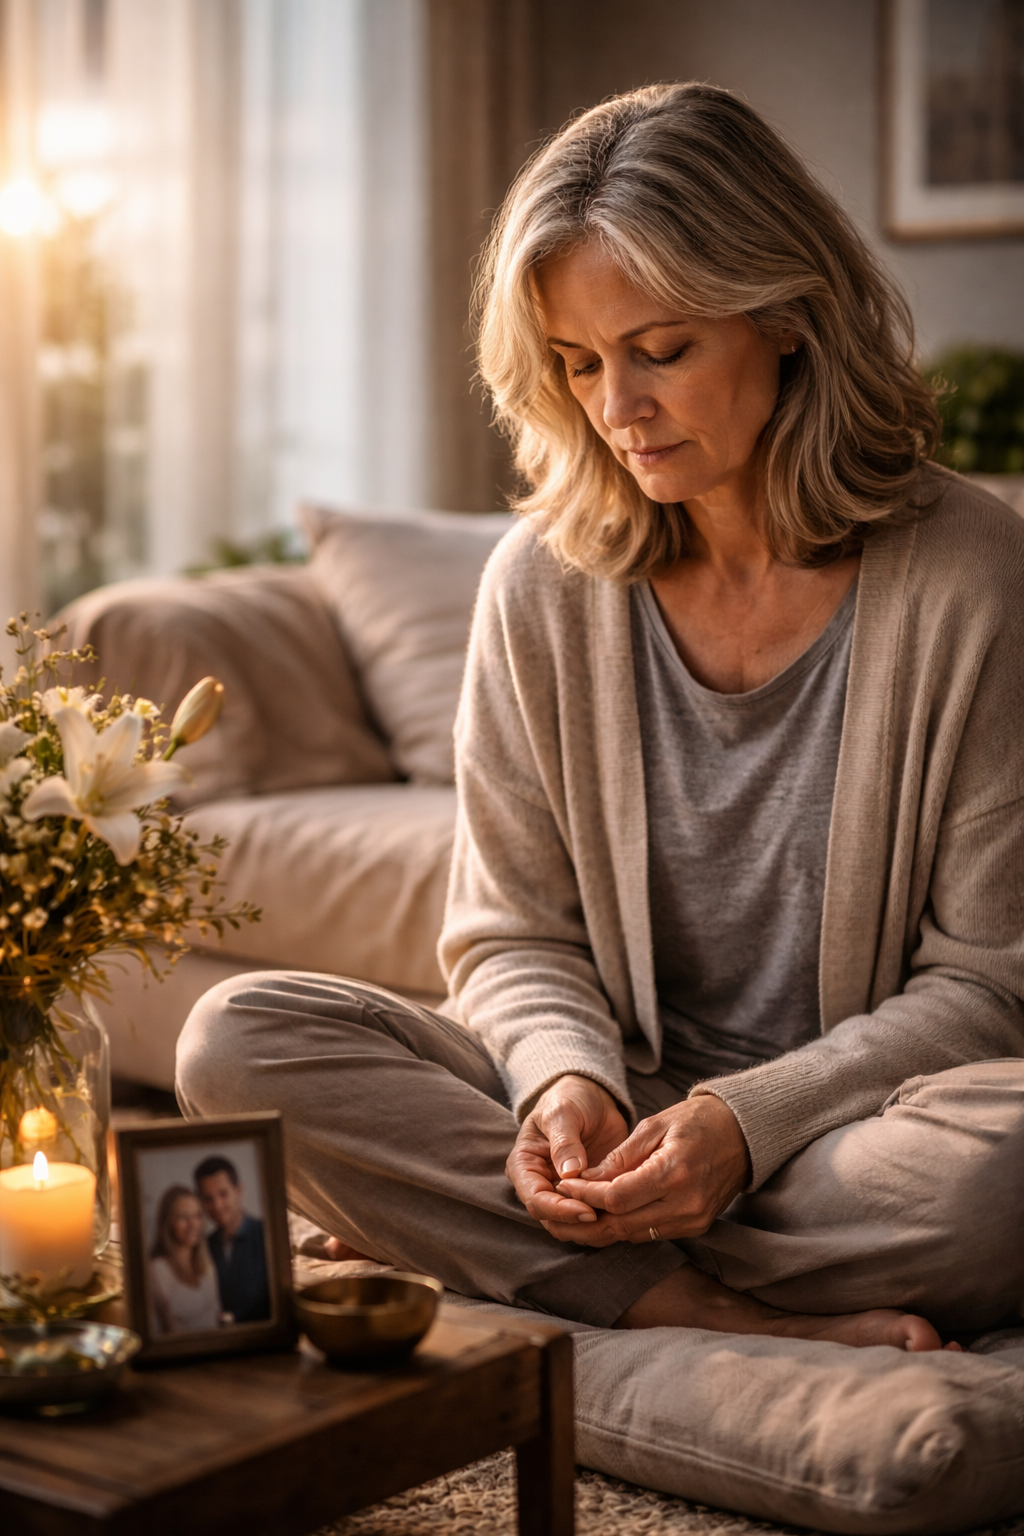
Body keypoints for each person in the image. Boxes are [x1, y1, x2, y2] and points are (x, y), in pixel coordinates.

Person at [176, 84, 1024, 1355]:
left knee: (993, 1182)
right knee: (234, 1042)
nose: (612, 408)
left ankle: (516, 1252)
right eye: (576, 364)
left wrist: (746, 1124)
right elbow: (513, 931)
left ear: (787, 312)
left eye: (658, 350)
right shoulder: (542, 582)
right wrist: (562, 1082)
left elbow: (987, 986)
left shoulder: (970, 573)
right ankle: (691, 1301)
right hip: (622, 1102)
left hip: (845, 1131)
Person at [194, 1154, 271, 1323]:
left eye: (223, 1194)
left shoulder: (266, 1234)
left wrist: (233, 1318)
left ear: (238, 1190)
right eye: (208, 1199)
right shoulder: (206, 1244)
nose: (217, 1205)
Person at [148, 1185, 220, 1336]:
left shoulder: (206, 1263)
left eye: (197, 1216)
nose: (192, 1224)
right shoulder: (158, 1270)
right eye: (183, 1217)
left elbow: (217, 1313)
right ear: (168, 1222)